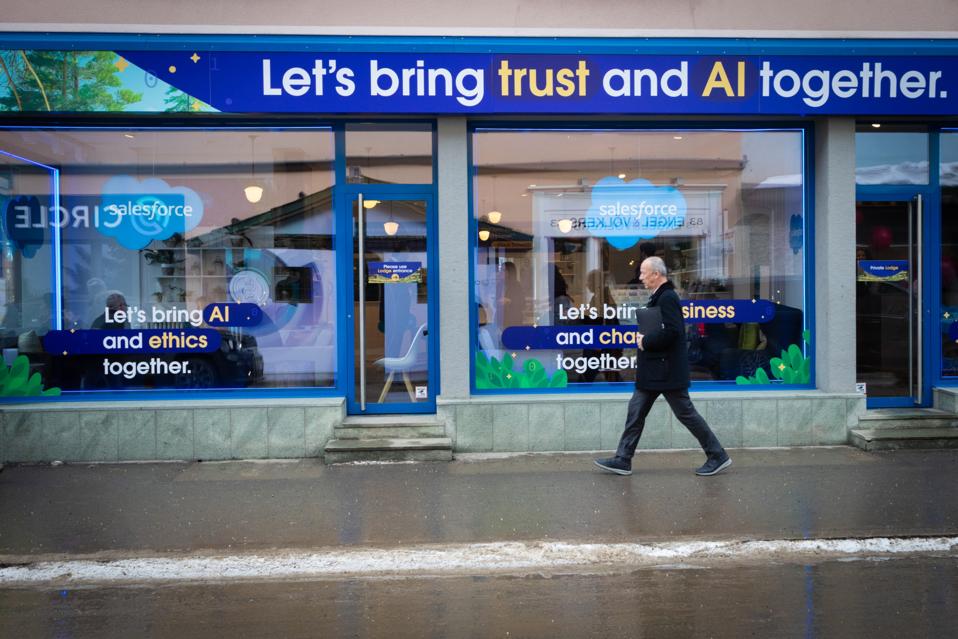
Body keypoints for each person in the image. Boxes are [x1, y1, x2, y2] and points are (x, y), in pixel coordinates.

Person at [594, 257, 731, 477]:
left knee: (686, 413)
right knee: (635, 411)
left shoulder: (667, 297)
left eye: (643, 273)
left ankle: (717, 455)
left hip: (666, 371)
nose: (640, 277)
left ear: (656, 274)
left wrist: (645, 341)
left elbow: (674, 331)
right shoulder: (660, 296)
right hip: (656, 370)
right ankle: (623, 459)